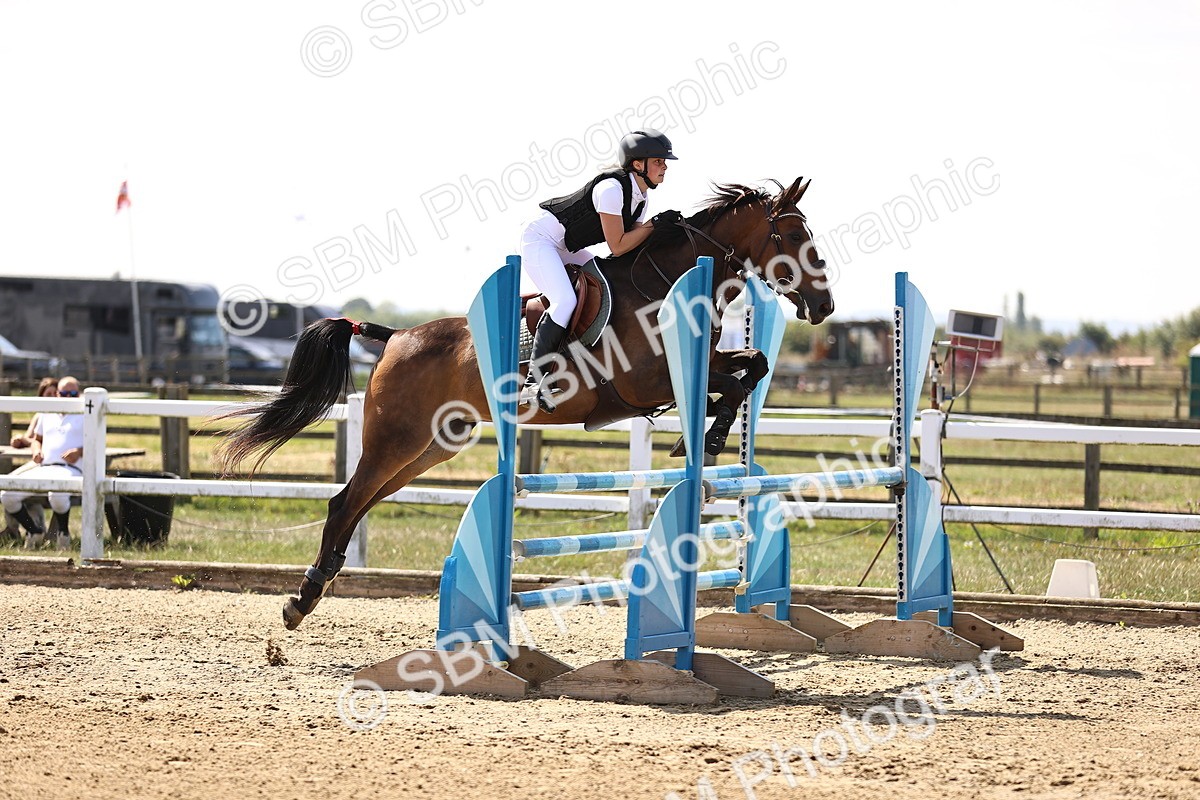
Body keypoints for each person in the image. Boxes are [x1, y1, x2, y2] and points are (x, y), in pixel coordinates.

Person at [517, 129, 683, 412]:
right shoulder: (612, 190)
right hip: (541, 240)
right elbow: (618, 246)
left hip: (567, 245)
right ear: (637, 164)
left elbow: (631, 245)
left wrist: (664, 232)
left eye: (664, 162)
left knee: (607, 284)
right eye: (659, 161)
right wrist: (653, 225)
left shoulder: (640, 197)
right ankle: (535, 381)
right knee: (565, 300)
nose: (665, 167)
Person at [1, 376, 84, 549]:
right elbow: (37, 439)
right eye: (65, 393)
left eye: (74, 393)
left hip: (73, 469)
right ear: (58, 394)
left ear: (79, 394)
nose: (69, 398)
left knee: (57, 494)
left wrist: (79, 451)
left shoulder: (86, 413)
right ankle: (34, 530)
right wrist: (36, 449)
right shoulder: (48, 412)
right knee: (7, 495)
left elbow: (97, 443)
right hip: (46, 466)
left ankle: (63, 533)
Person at [2, 376, 58, 541]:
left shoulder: (64, 414)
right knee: (9, 482)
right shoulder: (40, 414)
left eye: (56, 393)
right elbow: (32, 438)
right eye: (48, 394)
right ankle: (15, 529)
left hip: (54, 464)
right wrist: (20, 440)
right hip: (39, 461)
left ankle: (37, 530)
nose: (53, 397)